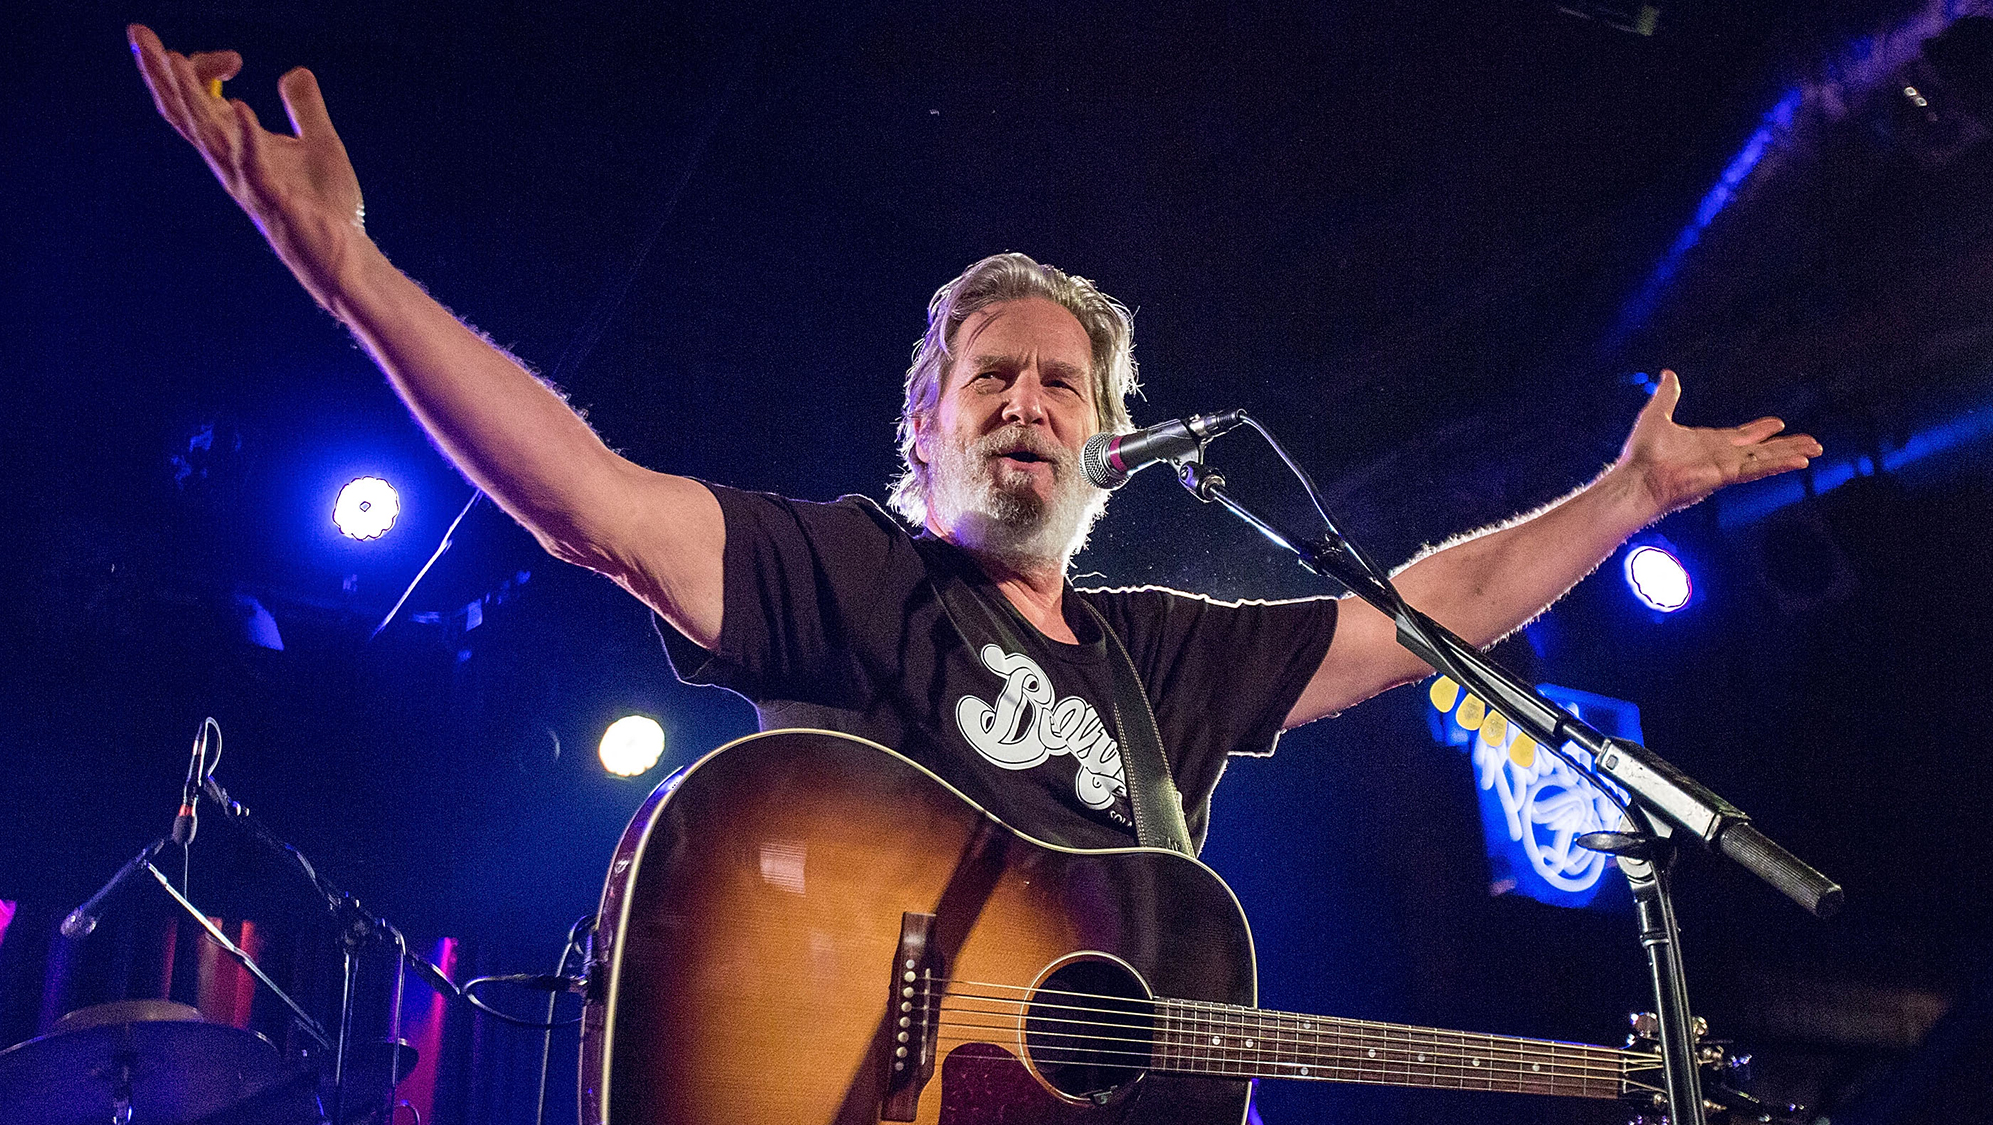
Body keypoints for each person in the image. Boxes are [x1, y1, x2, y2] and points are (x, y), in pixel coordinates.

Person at [127, 25, 1821, 852]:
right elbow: (593, 504)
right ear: (922, 426)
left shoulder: (1160, 662)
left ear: (1109, 443)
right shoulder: (853, 575)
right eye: (991, 379)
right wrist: (349, 274)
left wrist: (1628, 491)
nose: (1027, 402)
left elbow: (1419, 619)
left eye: (1061, 385)